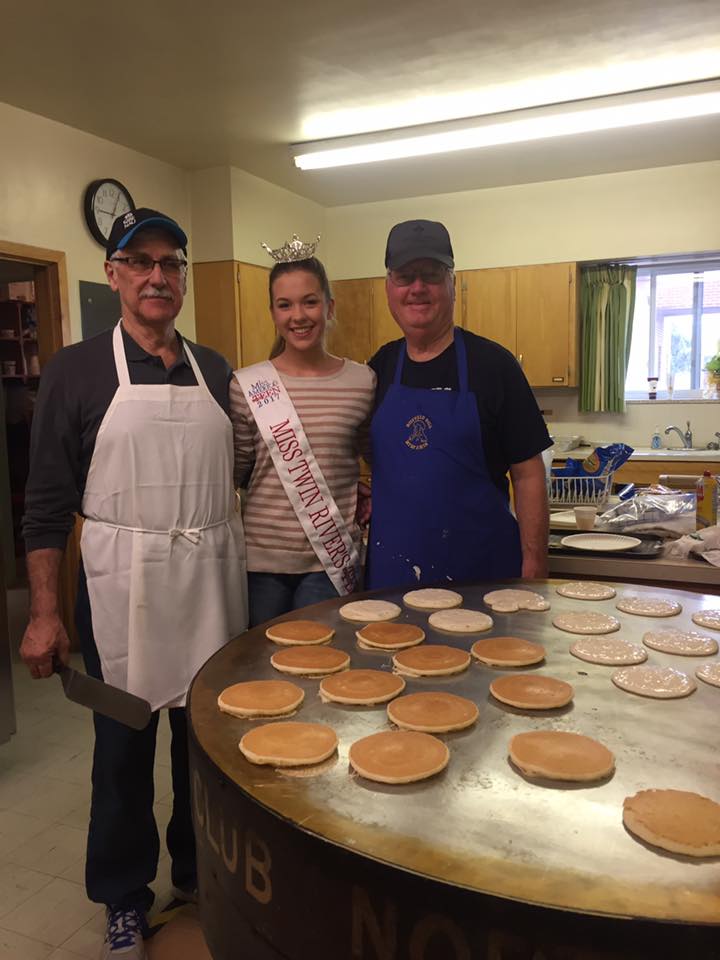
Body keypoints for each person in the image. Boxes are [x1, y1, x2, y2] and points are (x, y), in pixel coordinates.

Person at [20, 208, 247, 960]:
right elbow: (45, 503)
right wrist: (44, 612)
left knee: (204, 747)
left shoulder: (216, 369)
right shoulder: (76, 370)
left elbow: (245, 472)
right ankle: (123, 895)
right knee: (121, 751)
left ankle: (197, 876)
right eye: (140, 261)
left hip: (210, 578)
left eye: (170, 262)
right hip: (122, 586)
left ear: (182, 277)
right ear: (113, 273)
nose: (157, 276)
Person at [365, 219, 550, 589]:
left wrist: (534, 564)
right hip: (392, 579)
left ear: (453, 283)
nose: (418, 288)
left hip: (482, 579)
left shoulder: (494, 366)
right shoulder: (378, 368)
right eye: (405, 276)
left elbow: (528, 474)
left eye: (431, 275)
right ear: (388, 287)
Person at [231, 239, 374, 625]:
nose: (298, 316)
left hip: (330, 562)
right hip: (261, 563)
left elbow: (378, 459)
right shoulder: (245, 385)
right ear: (273, 313)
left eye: (310, 302)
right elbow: (238, 473)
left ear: (329, 307)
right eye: (285, 305)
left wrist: (369, 494)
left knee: (324, 657)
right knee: (261, 661)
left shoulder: (362, 381)